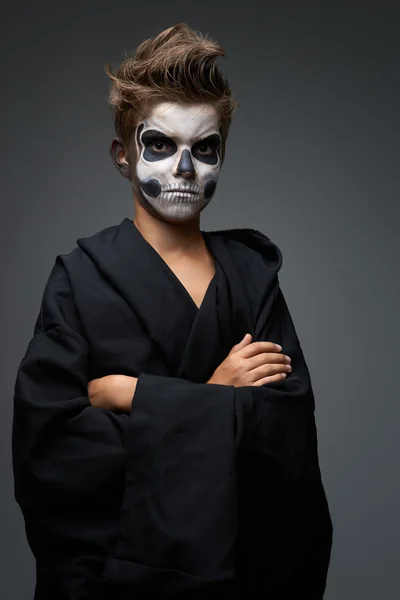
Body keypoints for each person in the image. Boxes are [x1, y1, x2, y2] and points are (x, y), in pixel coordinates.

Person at [12, 22, 333, 599]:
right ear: (120, 153)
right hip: (117, 581)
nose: (184, 169)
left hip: (248, 580)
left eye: (203, 149)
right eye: (159, 144)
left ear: (221, 157)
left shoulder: (253, 277)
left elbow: (286, 443)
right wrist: (216, 397)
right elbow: (52, 457)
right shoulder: (80, 279)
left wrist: (139, 397)